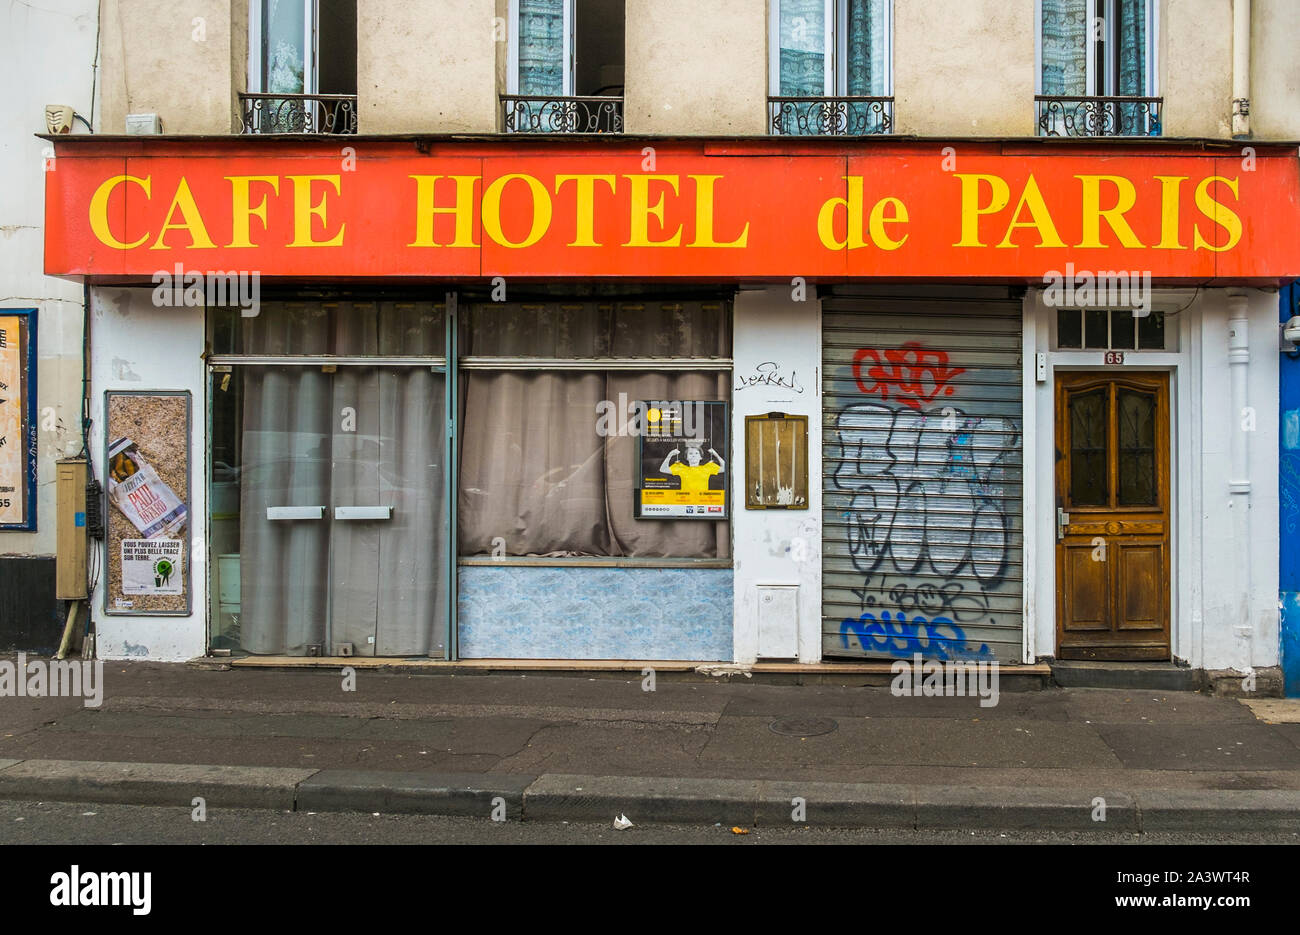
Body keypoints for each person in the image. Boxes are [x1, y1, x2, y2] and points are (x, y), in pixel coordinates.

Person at [659, 443, 724, 492]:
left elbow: (724, 468)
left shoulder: (707, 467)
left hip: (702, 501)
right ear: (686, 458)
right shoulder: (681, 468)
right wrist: (670, 454)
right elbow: (663, 469)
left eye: (696, 453)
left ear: (700, 457)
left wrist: (716, 455)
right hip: (686, 501)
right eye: (690, 453)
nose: (693, 455)